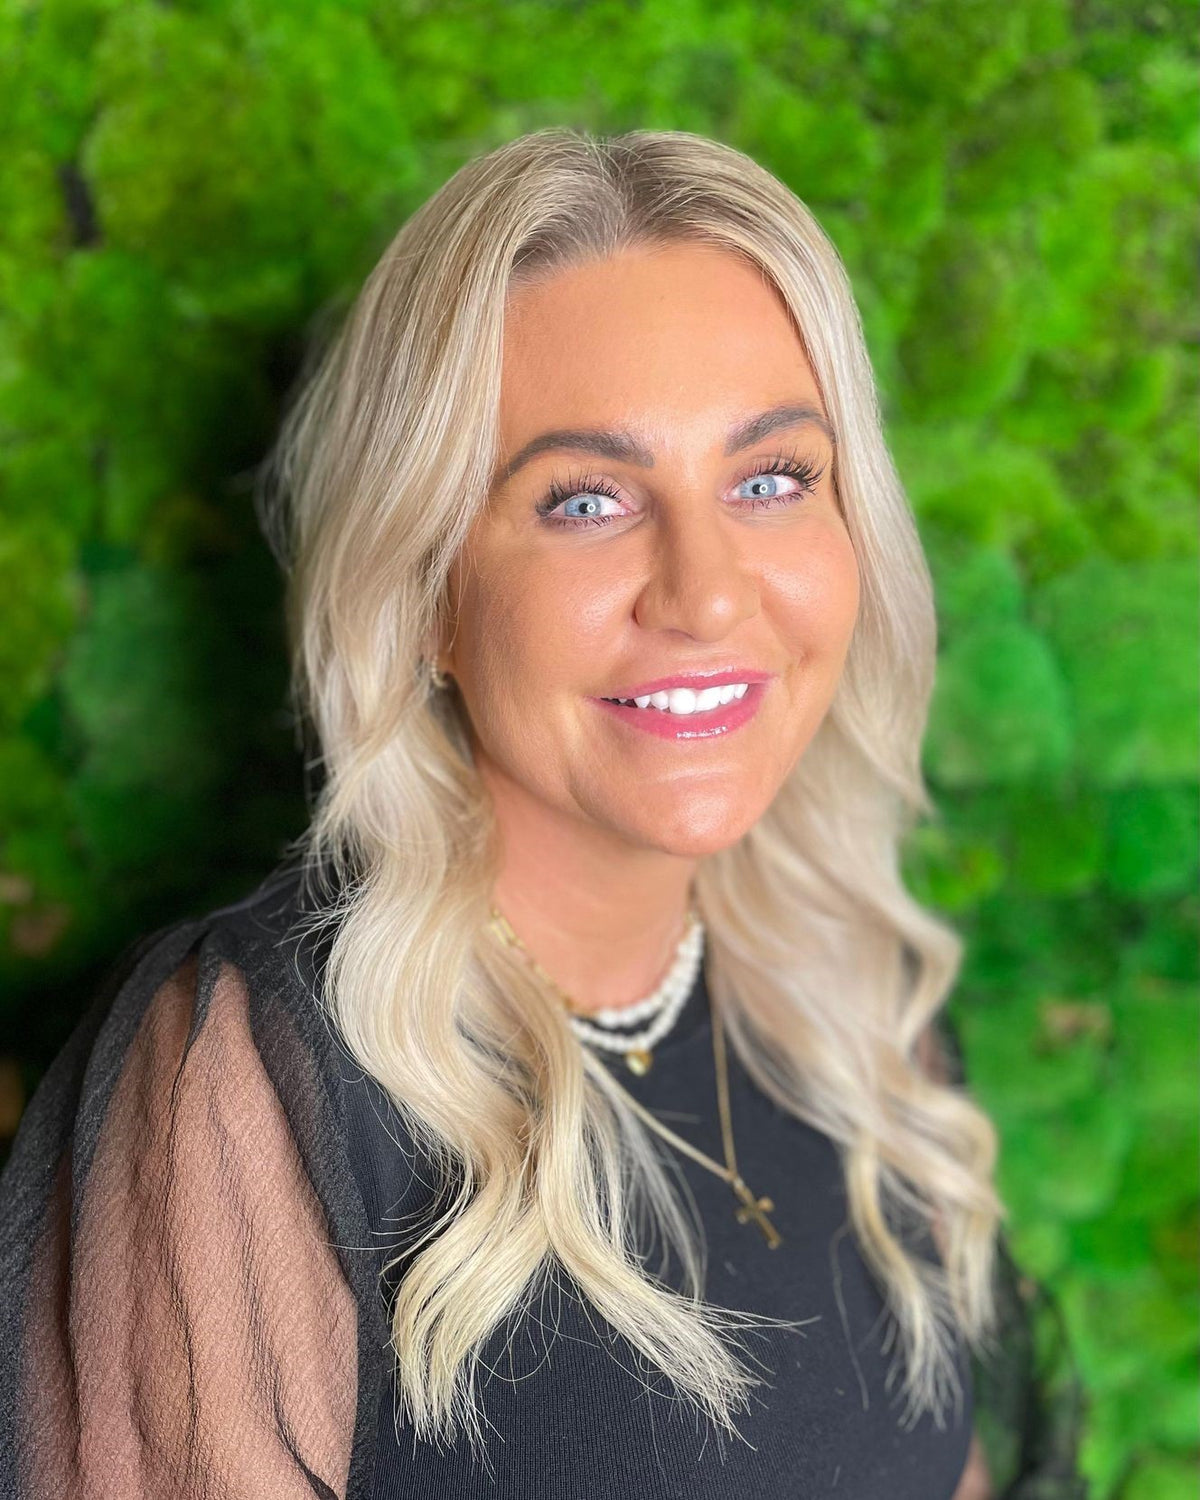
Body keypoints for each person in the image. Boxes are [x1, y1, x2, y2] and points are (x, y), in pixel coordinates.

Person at [0, 127, 1086, 1498]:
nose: (706, 593)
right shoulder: (260, 1084)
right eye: (585, 500)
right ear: (426, 594)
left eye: (771, 479)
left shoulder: (861, 1013)